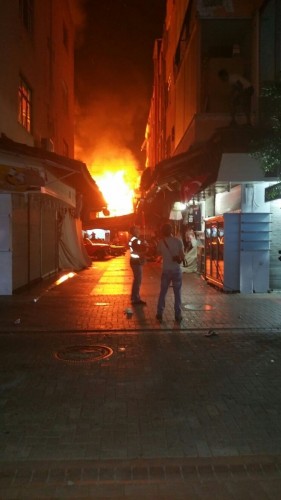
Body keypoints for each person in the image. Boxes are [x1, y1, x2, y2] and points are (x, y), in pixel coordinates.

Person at [156, 223, 185, 323]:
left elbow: (158, 254)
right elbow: (183, 256)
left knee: (163, 292)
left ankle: (159, 313)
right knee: (177, 294)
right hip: (176, 271)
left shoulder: (161, 242)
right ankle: (178, 315)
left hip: (166, 271)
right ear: (171, 230)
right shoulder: (178, 241)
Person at [128, 225, 147, 305]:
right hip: (136, 262)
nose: (139, 230)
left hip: (135, 261)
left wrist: (143, 243)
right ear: (134, 231)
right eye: (137, 229)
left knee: (136, 280)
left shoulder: (134, 239)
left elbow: (139, 245)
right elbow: (140, 249)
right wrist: (145, 245)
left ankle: (135, 297)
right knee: (137, 281)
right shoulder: (135, 240)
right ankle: (136, 299)